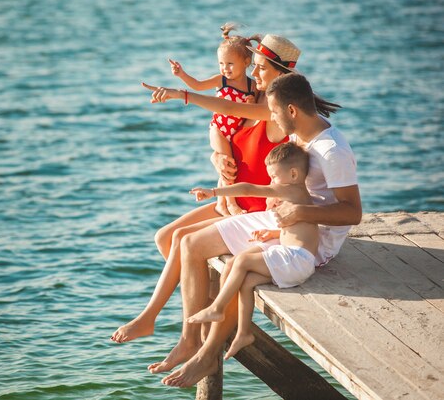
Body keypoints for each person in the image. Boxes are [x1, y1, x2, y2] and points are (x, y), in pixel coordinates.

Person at [154, 72, 361, 388]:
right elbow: (232, 111)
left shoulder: (333, 151)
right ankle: (189, 339)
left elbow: (353, 212)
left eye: (274, 111)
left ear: (291, 110)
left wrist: (300, 212)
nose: (271, 118)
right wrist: (184, 96)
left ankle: (208, 353)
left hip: (312, 240)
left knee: (236, 272)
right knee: (190, 243)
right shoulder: (300, 131)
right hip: (281, 222)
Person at [110, 35, 297, 348]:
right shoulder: (250, 99)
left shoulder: (275, 112)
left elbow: (221, 106)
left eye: (261, 68)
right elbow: (221, 129)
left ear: (280, 73)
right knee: (164, 238)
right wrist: (216, 157)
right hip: (234, 198)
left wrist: (182, 94)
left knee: (184, 240)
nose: (255, 74)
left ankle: (171, 326)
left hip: (255, 211)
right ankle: (202, 303)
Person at [186, 142, 318, 360]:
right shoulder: (299, 196)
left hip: (295, 259)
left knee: (239, 262)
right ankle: (243, 333)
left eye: (274, 177)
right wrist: (273, 234)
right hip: (297, 260)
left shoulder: (290, 190)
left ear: (293, 174)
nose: (272, 183)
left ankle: (217, 307)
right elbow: (300, 231)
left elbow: (248, 188)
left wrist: (213, 192)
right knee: (246, 282)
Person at [168, 23, 261, 215]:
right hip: (219, 129)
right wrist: (181, 74)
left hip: (236, 131)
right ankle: (232, 204)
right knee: (227, 162)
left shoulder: (253, 86)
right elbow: (198, 86)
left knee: (228, 165)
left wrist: (251, 104)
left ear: (245, 62)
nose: (225, 68)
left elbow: (253, 112)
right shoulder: (222, 80)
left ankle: (221, 203)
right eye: (221, 64)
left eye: (230, 64)